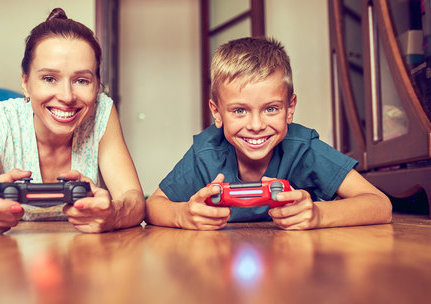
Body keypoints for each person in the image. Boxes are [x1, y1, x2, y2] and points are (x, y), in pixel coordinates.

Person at [0, 8, 145, 234]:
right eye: (49, 78)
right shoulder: (1, 120)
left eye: (82, 80)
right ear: (25, 82)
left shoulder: (102, 111)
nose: (66, 96)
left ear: (96, 85)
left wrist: (114, 213)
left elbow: (135, 201)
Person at [146, 37, 392, 231]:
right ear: (217, 113)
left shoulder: (303, 148)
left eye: (271, 109)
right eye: (239, 110)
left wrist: (318, 215)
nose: (255, 125)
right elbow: (153, 206)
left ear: (290, 109)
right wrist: (184, 215)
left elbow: (380, 204)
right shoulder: (206, 153)